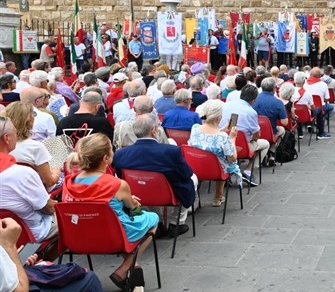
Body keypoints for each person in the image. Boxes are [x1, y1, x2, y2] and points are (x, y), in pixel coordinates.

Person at [62, 134, 159, 290]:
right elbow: (134, 208)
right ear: (106, 159)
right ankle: (126, 267)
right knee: (153, 218)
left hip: (78, 236)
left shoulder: (69, 182)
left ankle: (133, 265)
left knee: (115, 220)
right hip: (113, 237)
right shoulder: (117, 184)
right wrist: (132, 201)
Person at [113, 115, 196, 237]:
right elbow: (186, 173)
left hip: (138, 193)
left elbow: (121, 178)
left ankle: (159, 223)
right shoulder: (171, 151)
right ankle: (175, 223)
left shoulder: (120, 154)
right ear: (153, 131)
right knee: (192, 180)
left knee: (147, 182)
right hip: (167, 193)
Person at [0, 116, 58, 245]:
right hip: (28, 233)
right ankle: (41, 261)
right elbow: (48, 208)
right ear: (6, 138)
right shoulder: (22, 173)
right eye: (15, 132)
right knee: (70, 220)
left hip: (8, 233)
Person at [190, 100, 242, 206]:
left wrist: (223, 130)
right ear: (218, 118)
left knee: (217, 158)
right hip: (217, 170)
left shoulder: (195, 128)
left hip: (197, 166)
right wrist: (232, 138)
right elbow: (232, 158)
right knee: (222, 160)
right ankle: (218, 196)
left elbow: (209, 136)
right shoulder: (222, 137)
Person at [219, 85, 269, 185]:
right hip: (241, 146)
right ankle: (248, 170)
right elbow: (256, 134)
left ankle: (229, 171)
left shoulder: (227, 105)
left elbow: (231, 125)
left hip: (223, 143)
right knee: (265, 144)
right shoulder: (251, 112)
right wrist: (254, 139)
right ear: (253, 100)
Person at [5, 102, 60, 190]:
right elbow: (49, 182)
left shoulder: (3, 145)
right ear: (29, 120)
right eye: (33, 114)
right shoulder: (35, 147)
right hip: (34, 192)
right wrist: (57, 172)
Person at [253, 77, 288, 166]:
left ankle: (267, 152)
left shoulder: (253, 100)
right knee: (282, 130)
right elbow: (285, 122)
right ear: (274, 89)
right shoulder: (278, 102)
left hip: (255, 131)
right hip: (271, 132)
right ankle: (272, 151)